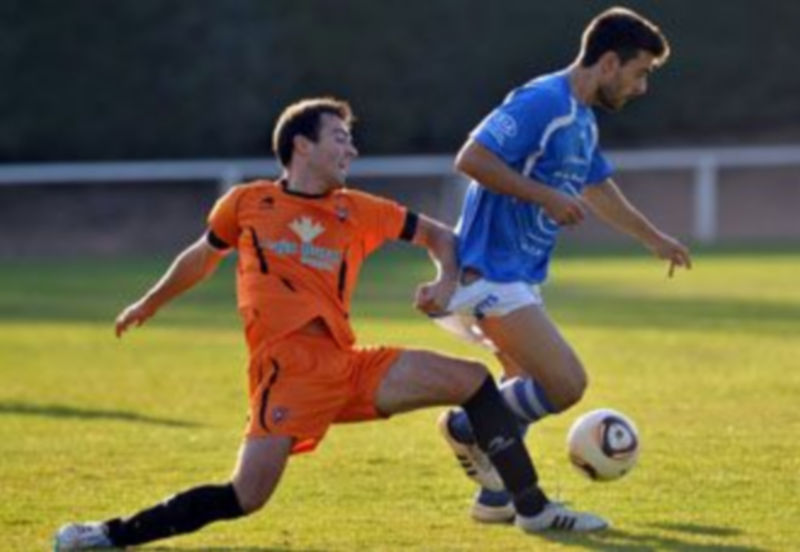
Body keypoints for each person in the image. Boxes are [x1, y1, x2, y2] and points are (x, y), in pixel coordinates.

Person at [54, 98, 609, 551]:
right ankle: (106, 536)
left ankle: (531, 509)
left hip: (348, 363)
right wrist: (150, 303)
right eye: (339, 137)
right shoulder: (249, 203)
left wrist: (444, 282)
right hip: (287, 373)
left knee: (471, 380)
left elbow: (443, 237)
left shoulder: (358, 209)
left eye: (351, 138)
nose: (352, 148)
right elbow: (203, 255)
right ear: (302, 145)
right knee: (247, 495)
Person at [431, 7, 692, 526]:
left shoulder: (582, 120)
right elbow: (472, 158)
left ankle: (498, 499)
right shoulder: (542, 100)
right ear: (609, 62)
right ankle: (466, 426)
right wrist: (546, 196)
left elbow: (598, 188)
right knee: (565, 383)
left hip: (518, 275)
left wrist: (653, 239)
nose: (642, 87)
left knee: (523, 383)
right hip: (491, 271)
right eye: (640, 72)